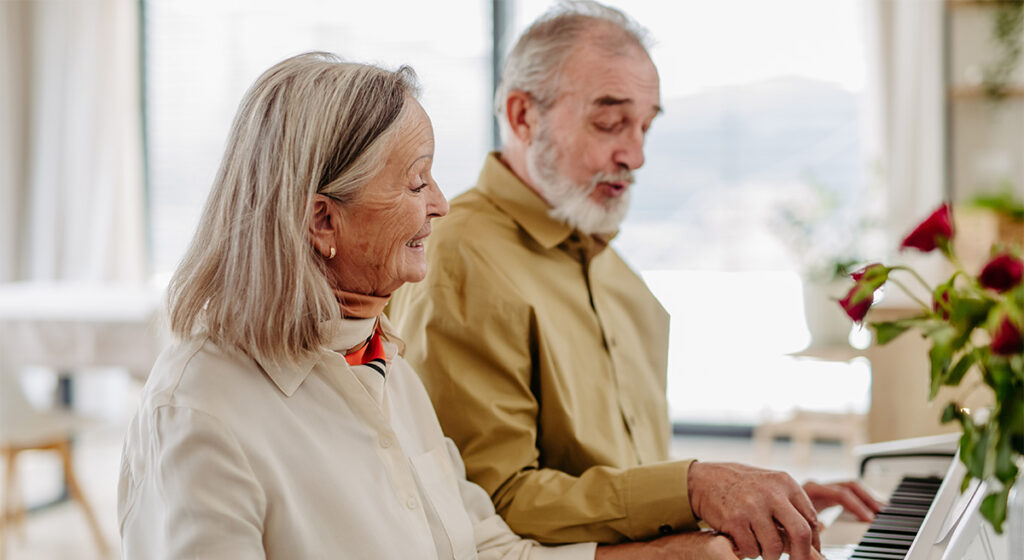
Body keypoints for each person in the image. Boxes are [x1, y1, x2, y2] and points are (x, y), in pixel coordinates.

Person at [117, 52, 744, 559]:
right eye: (417, 182)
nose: (442, 204)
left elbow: (486, 548)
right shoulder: (200, 412)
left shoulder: (381, 360)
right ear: (322, 220)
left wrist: (668, 557)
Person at [388, 3, 883, 560]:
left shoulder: (613, 269)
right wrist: (694, 487)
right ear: (523, 116)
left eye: (646, 126)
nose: (637, 155)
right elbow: (489, 503)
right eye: (610, 122)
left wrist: (748, 501)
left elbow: (630, 483)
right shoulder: (460, 258)